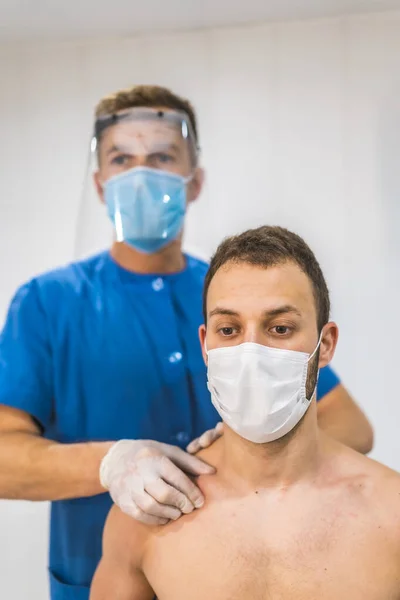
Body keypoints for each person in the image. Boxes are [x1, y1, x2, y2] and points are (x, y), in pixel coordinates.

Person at [0, 86, 372, 598]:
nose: (140, 174)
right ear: (100, 182)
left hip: (225, 569)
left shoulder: (236, 296)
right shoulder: (47, 303)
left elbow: (349, 424)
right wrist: (115, 463)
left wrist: (235, 455)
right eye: (122, 159)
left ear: (193, 181)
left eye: (160, 157)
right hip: (94, 570)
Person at [91, 226, 400, 600]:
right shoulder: (145, 518)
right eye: (230, 329)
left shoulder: (391, 515)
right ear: (206, 345)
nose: (251, 354)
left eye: (280, 328)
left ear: (326, 344)